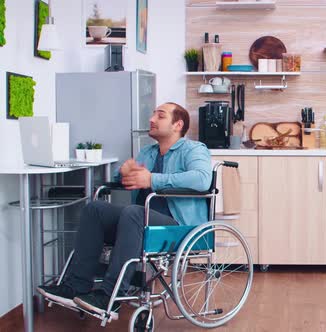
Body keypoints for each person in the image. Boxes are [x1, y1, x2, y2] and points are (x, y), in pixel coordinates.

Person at [37, 102, 212, 318]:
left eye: (160, 115)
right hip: (139, 223)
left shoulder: (194, 149)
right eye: (153, 114)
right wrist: (123, 173)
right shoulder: (148, 152)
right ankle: (75, 287)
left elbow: (203, 179)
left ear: (178, 124)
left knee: (134, 212)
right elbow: (124, 180)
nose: (152, 119)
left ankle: (109, 296)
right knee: (94, 209)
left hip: (178, 227)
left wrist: (152, 179)